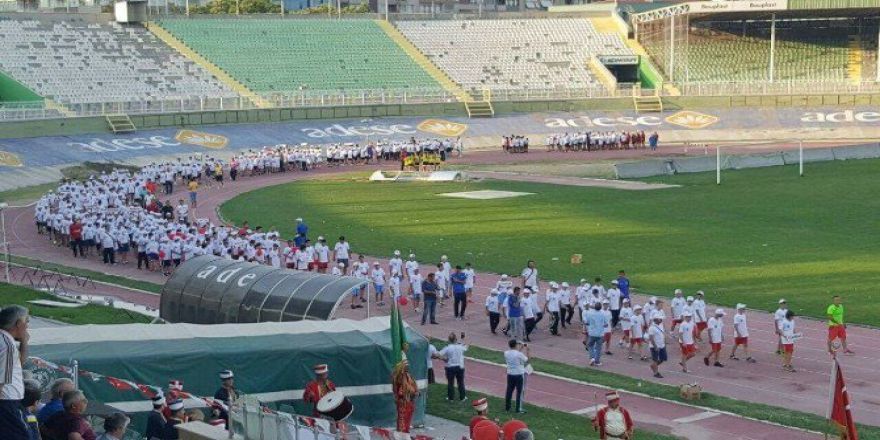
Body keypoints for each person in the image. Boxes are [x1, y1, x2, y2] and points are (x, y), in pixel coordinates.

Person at [0, 305, 29, 440]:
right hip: (7, 402)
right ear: (18, 324)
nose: (27, 326)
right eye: (26, 321)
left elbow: (18, 365)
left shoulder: (5, 341)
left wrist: (24, 341)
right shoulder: (7, 346)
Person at [437, 332, 468, 401]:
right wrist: (463, 338)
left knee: (450, 383)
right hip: (460, 367)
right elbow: (466, 346)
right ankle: (462, 397)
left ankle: (451, 398)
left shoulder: (447, 348)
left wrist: (444, 359)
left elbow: (438, 354)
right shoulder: (460, 347)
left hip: (450, 367)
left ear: (449, 340)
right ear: (456, 339)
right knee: (461, 382)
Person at [392, 358, 418, 433]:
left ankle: (406, 433)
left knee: (408, 419)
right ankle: (401, 435)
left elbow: (413, 386)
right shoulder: (398, 377)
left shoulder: (408, 376)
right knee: (402, 420)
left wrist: (416, 391)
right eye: (405, 366)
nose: (407, 368)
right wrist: (412, 392)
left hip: (410, 402)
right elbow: (401, 391)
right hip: (403, 403)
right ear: (401, 367)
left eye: (407, 366)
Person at [503, 339, 529, 414]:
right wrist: (528, 350)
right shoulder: (518, 354)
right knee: (519, 392)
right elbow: (527, 360)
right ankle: (518, 409)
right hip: (519, 375)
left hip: (510, 374)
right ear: (515, 345)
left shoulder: (506, 353)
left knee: (509, 391)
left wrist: (521, 348)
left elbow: (516, 354)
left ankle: (507, 408)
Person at [584, 302, 607, 367]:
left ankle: (592, 358)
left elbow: (587, 322)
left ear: (594, 307)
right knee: (599, 348)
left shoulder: (590, 313)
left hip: (592, 333)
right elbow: (606, 324)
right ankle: (597, 361)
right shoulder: (603, 314)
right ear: (600, 307)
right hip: (600, 334)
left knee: (590, 345)